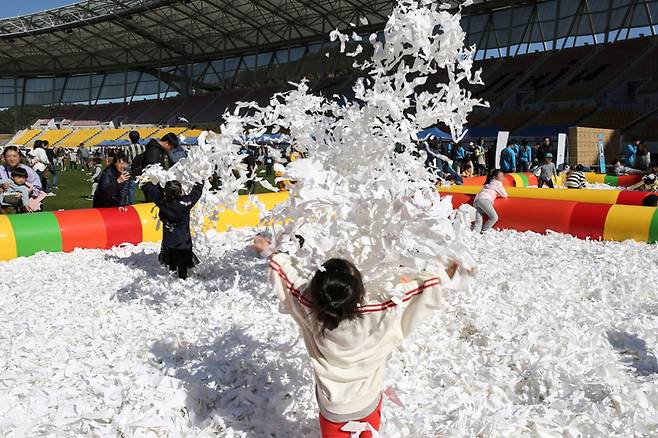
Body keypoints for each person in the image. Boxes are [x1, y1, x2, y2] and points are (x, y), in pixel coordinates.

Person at [252, 235, 464, 438]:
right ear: (361, 293)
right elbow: (418, 289)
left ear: (314, 293)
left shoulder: (307, 307)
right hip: (368, 401)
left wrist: (269, 250)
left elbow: (286, 274)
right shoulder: (382, 312)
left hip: (333, 409)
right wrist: (446, 274)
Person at [144, 181, 204, 280]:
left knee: (171, 266)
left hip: (169, 243)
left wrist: (145, 179)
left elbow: (151, 190)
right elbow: (196, 192)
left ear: (165, 193)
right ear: (180, 192)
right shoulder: (186, 203)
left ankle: (173, 279)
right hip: (184, 243)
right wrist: (201, 180)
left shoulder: (162, 203)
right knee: (183, 268)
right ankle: (182, 280)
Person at [473, 169, 507, 233]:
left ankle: (476, 232)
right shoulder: (497, 183)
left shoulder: (489, 183)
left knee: (479, 218)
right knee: (494, 217)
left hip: (477, 200)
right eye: (501, 176)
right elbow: (504, 194)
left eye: (503, 176)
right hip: (485, 200)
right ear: (494, 177)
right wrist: (497, 194)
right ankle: (484, 230)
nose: (503, 178)